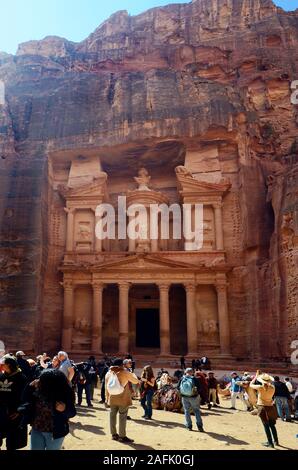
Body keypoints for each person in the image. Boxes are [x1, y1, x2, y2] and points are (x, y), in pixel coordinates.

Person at [20, 369, 76, 450]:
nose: (39, 381)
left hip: (55, 432)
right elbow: (24, 399)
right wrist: (29, 386)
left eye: (42, 380)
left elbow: (72, 413)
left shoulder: (65, 393)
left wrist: (64, 409)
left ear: (51, 384)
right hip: (37, 429)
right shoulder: (38, 390)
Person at [105, 358, 139, 443]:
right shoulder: (124, 373)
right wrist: (130, 372)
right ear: (122, 365)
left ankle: (114, 434)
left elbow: (106, 387)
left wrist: (107, 398)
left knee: (112, 415)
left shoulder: (109, 373)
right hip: (123, 397)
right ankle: (122, 436)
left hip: (112, 397)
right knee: (122, 416)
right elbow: (135, 381)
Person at [0, 355, 28, 450]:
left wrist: (19, 411)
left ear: (9, 365)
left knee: (12, 443)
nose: (1, 365)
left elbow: (26, 398)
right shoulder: (1, 376)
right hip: (1, 413)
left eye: (3, 364)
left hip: (14, 414)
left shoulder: (21, 378)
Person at [250, 371, 279, 448]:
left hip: (262, 407)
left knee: (266, 426)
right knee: (272, 425)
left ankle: (270, 443)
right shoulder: (273, 387)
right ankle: (276, 441)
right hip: (271, 407)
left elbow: (250, 385)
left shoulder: (260, 387)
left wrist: (255, 377)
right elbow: (269, 385)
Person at [178, 368, 204, 432]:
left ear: (185, 372)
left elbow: (178, 387)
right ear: (192, 372)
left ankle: (189, 426)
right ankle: (199, 426)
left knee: (187, 411)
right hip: (194, 397)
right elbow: (200, 388)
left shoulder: (182, 378)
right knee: (196, 411)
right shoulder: (195, 379)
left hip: (184, 397)